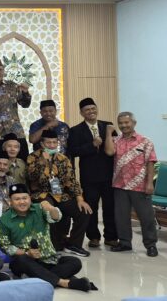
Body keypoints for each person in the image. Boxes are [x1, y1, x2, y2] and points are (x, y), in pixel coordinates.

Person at [0, 184, 94, 292]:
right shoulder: (5, 219)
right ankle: (64, 282)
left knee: (75, 262)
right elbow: (5, 246)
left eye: (24, 198)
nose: (22, 202)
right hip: (26, 262)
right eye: (17, 199)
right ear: (10, 201)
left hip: (48, 260)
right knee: (21, 260)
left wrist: (51, 208)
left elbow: (56, 218)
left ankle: (36, 278)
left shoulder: (39, 209)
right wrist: (27, 253)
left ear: (30, 198)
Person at [27, 130, 92, 256]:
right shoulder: (33, 157)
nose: (52, 145)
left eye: (54, 142)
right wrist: (43, 162)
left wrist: (80, 199)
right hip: (41, 194)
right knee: (49, 210)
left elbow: (71, 180)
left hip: (60, 194)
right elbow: (31, 177)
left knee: (83, 211)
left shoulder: (63, 159)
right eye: (48, 143)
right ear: (42, 144)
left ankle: (74, 244)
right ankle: (51, 245)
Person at [67, 97, 118, 248]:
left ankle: (111, 237)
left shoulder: (108, 126)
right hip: (89, 176)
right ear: (81, 113)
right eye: (87, 110)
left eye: (93, 108)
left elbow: (116, 147)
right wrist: (92, 145)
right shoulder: (75, 130)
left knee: (110, 207)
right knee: (91, 207)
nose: (91, 111)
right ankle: (93, 237)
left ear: (97, 109)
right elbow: (73, 151)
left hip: (109, 175)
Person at [111, 111, 159, 257]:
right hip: (120, 185)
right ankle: (125, 243)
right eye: (120, 123)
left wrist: (150, 183)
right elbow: (108, 153)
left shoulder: (145, 141)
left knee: (146, 217)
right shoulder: (115, 141)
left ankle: (151, 245)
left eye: (126, 122)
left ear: (134, 123)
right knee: (121, 217)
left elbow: (151, 163)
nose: (123, 125)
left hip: (140, 186)